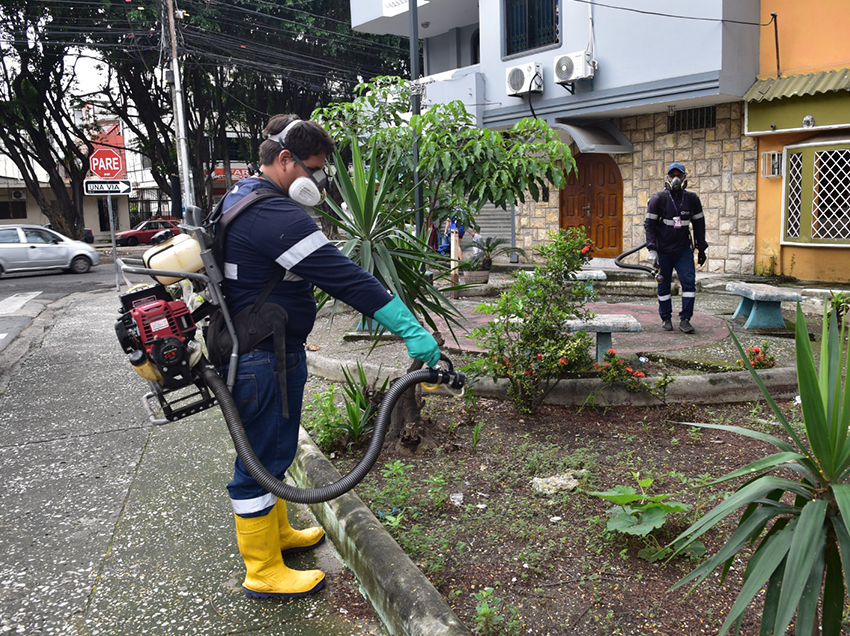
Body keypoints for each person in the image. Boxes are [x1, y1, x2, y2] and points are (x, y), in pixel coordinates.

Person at [217, 114, 440, 600]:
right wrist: (411, 329)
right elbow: (347, 278)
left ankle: (277, 537)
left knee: (270, 451)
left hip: (261, 348)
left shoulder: (244, 195)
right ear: (283, 159)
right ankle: (262, 570)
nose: (317, 181)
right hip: (263, 356)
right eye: (312, 169)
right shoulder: (273, 215)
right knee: (257, 461)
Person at [644, 162, 708, 334]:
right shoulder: (659, 199)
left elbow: (699, 225)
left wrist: (701, 249)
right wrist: (652, 250)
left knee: (689, 283)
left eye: (679, 175)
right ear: (667, 178)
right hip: (663, 250)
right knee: (663, 285)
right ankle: (665, 318)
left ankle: (685, 319)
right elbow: (649, 226)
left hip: (682, 251)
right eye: (672, 176)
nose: (676, 179)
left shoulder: (692, 199)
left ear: (684, 177)